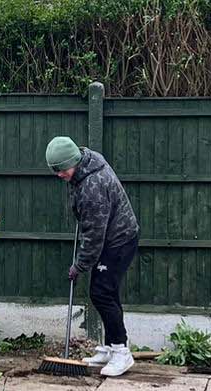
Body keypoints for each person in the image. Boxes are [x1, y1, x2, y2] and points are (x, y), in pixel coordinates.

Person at [45, 136, 141, 377]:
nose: (59, 175)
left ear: (73, 161)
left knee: (102, 293)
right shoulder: (86, 165)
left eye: (61, 169)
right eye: (55, 171)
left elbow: (94, 236)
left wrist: (79, 266)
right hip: (111, 237)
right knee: (105, 291)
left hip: (118, 240)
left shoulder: (92, 187)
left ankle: (121, 352)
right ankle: (110, 348)